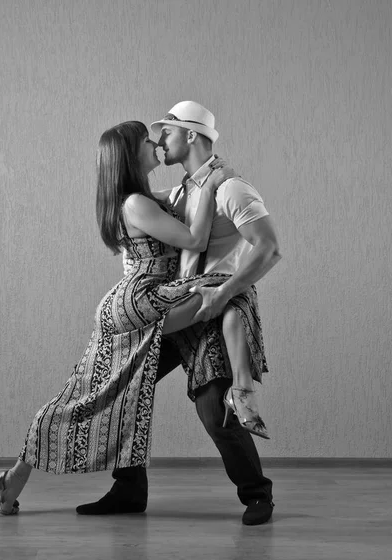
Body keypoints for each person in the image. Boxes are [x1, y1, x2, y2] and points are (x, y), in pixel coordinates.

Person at [0, 119, 268, 517]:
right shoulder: (136, 203)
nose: (155, 144)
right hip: (145, 306)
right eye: (146, 140)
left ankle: (22, 480)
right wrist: (218, 178)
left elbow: (181, 201)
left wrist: (206, 181)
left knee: (109, 397)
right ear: (129, 155)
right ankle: (239, 445)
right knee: (229, 287)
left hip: (156, 308)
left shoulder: (144, 198)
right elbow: (195, 239)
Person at [76, 101, 281, 526]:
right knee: (131, 383)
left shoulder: (230, 187)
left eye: (164, 133)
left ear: (189, 135)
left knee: (212, 409)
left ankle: (258, 495)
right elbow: (138, 206)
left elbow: (269, 248)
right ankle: (129, 489)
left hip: (213, 308)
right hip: (179, 303)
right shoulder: (185, 189)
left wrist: (225, 293)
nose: (158, 142)